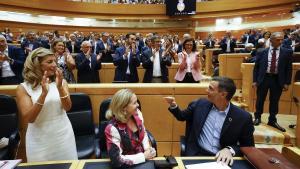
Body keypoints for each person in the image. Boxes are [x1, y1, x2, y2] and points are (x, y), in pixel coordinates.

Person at [164, 76, 254, 166]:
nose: (206, 90)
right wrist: (173, 105)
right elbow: (181, 116)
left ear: (223, 94)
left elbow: (249, 147)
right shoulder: (200, 104)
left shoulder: (243, 117)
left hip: (223, 159)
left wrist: (229, 150)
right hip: (197, 155)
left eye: (210, 89)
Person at [15, 47, 77, 162]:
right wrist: (43, 95)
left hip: (63, 135)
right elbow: (30, 119)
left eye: (55, 61)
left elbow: (67, 107)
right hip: (39, 140)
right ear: (36, 64)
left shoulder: (61, 82)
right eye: (49, 62)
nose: (54, 65)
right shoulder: (23, 88)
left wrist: (59, 88)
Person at [105, 89, 156, 168]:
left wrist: (147, 149)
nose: (138, 105)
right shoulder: (112, 129)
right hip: (127, 164)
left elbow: (143, 132)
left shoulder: (137, 113)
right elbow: (117, 161)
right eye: (134, 103)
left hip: (143, 160)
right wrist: (143, 156)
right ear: (124, 107)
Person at [253, 32, 293, 132]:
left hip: (277, 79)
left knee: (275, 101)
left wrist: (287, 82)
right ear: (271, 40)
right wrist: (254, 81)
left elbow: (289, 68)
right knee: (260, 99)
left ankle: (272, 120)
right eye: (278, 39)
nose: (281, 41)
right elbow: (256, 68)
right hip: (264, 78)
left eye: (282, 39)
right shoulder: (261, 51)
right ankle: (257, 117)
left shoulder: (287, 52)